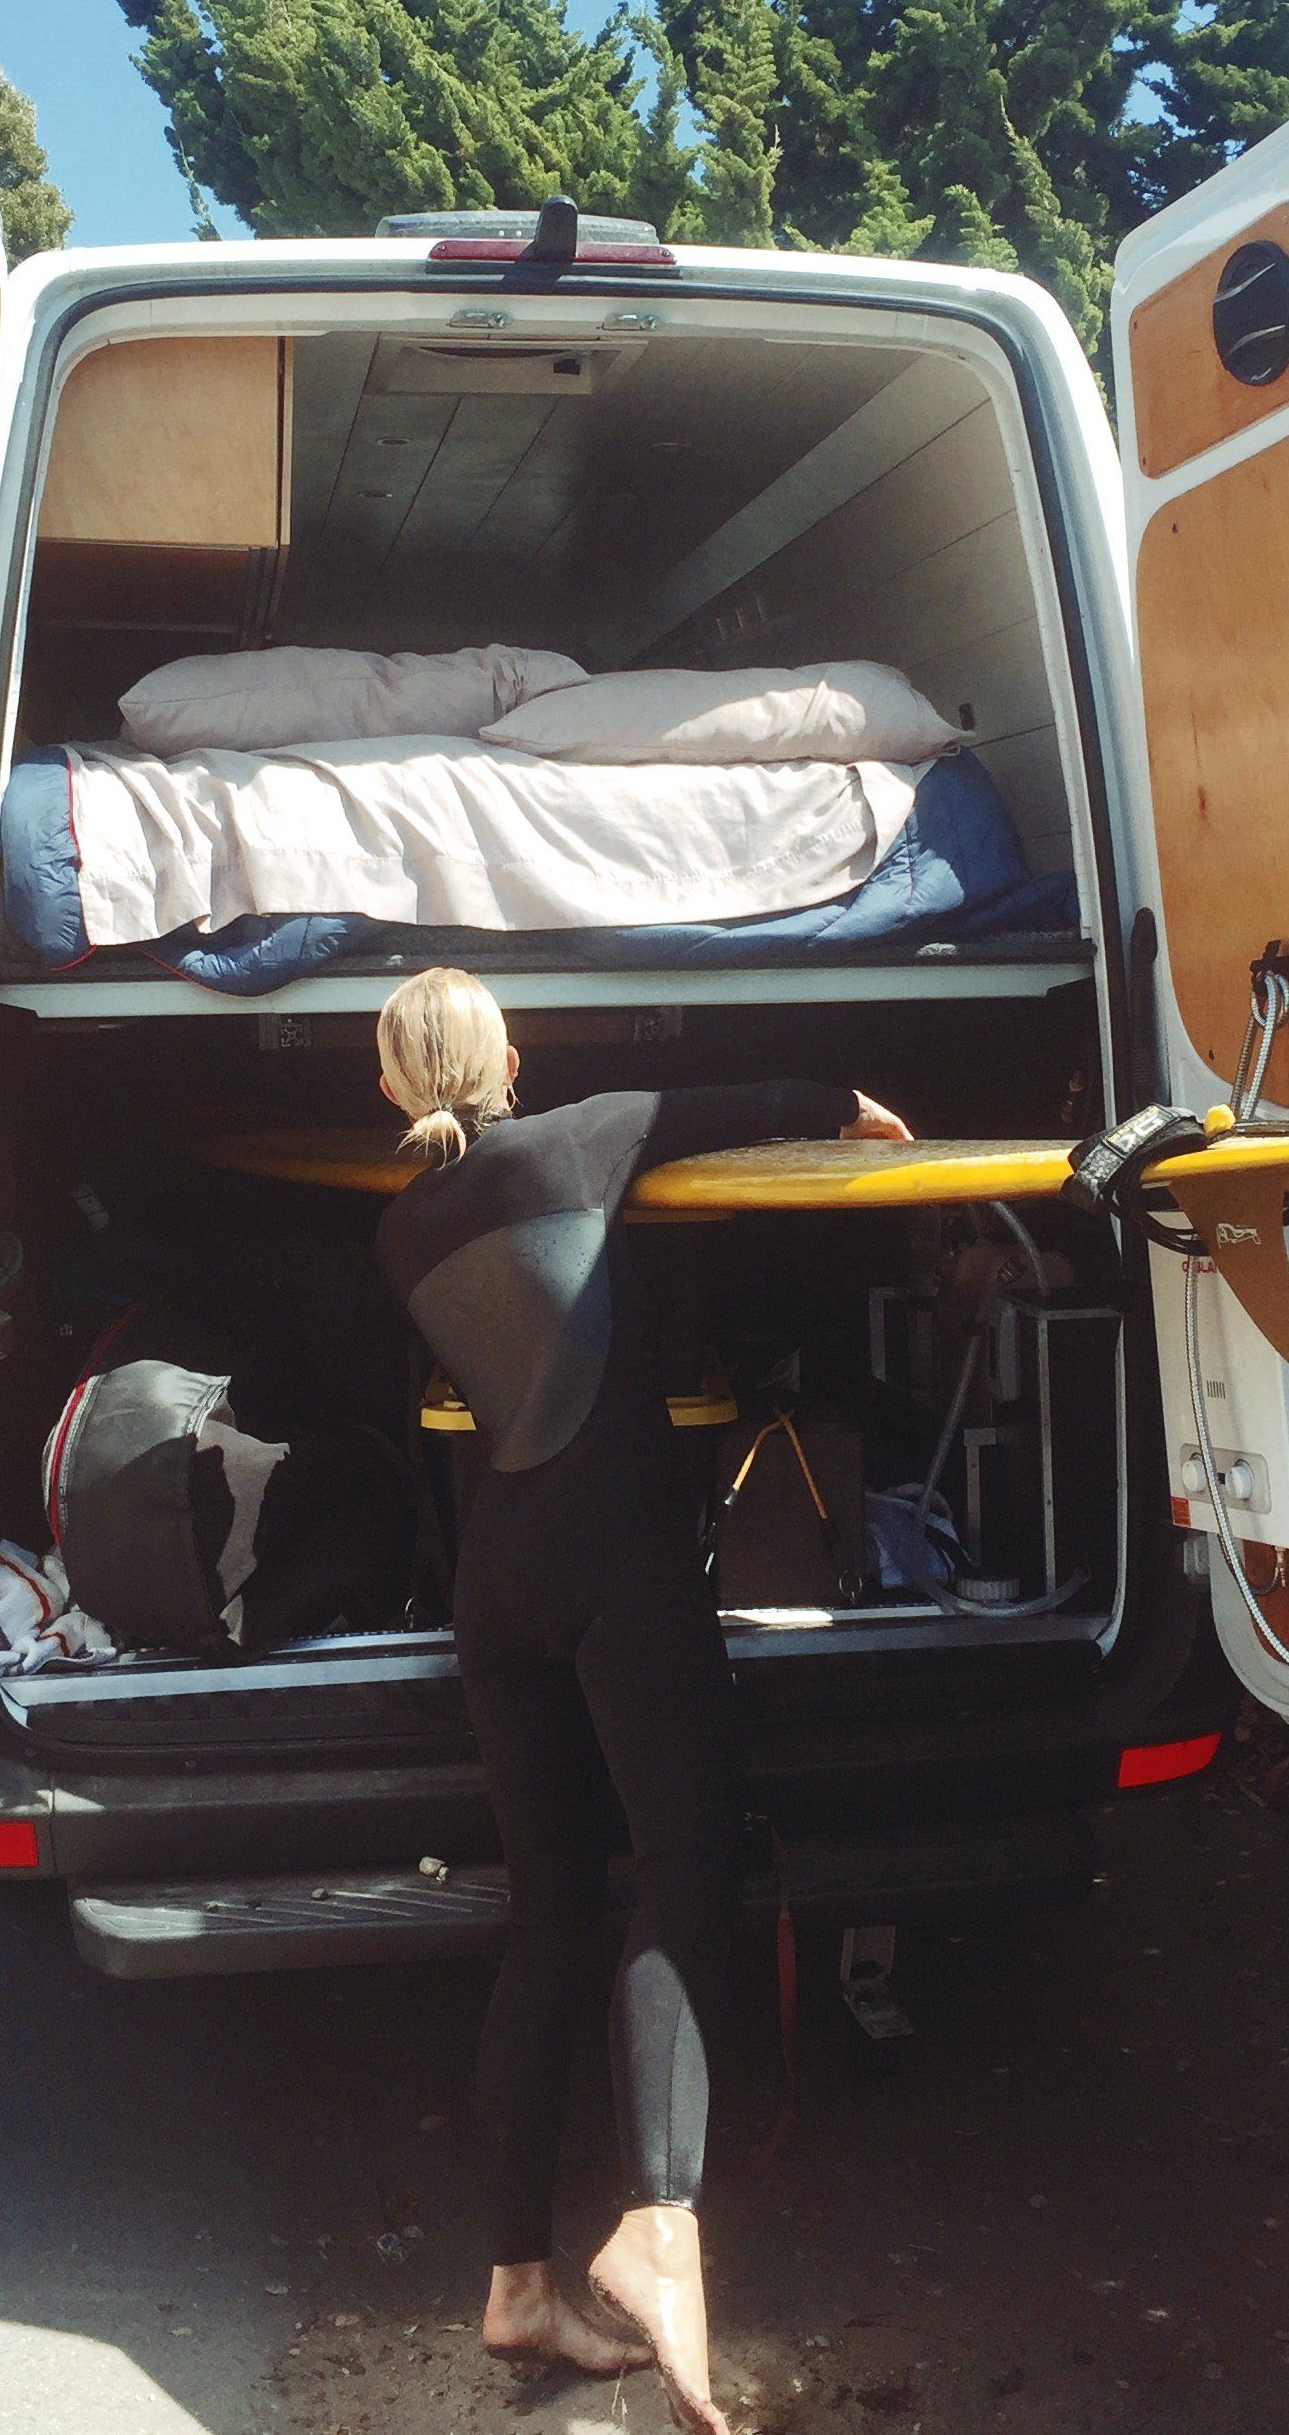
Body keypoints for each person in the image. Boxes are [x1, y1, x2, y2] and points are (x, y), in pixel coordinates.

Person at [374, 967, 910, 2432]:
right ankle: (656, 2223)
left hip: (500, 1579)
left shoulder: (400, 1220)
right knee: (682, 1863)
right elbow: (750, 1102)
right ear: (514, 1058)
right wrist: (863, 1109)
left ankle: (514, 2285)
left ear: (387, 1089)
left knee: (547, 1911)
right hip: (615, 1556)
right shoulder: (577, 1138)